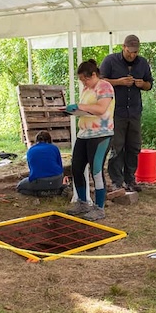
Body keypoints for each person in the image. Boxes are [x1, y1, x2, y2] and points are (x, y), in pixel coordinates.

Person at [99, 34, 153, 194]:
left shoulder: (142, 63)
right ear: (123, 47)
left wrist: (142, 84)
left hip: (135, 111)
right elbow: (100, 81)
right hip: (116, 111)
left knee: (134, 146)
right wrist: (119, 82)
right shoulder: (110, 61)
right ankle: (116, 181)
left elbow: (149, 84)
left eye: (135, 52)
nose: (132, 55)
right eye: (130, 51)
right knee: (117, 146)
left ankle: (130, 179)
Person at [64, 59, 115, 221]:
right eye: (81, 80)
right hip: (84, 133)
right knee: (77, 168)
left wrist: (81, 107)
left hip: (101, 134)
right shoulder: (87, 89)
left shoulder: (104, 86)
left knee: (96, 170)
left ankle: (99, 208)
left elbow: (100, 108)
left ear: (94, 74)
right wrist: (73, 110)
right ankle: (82, 202)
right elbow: (86, 109)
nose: (84, 83)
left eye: (85, 79)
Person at [16, 131, 66, 196]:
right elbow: (60, 166)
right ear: (49, 140)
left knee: (20, 187)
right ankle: (56, 191)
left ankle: (39, 193)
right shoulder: (54, 148)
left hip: (39, 181)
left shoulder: (30, 150)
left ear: (36, 140)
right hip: (57, 180)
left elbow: (32, 170)